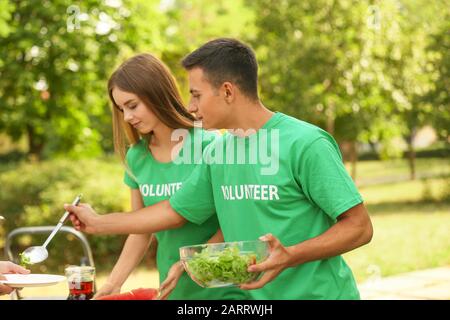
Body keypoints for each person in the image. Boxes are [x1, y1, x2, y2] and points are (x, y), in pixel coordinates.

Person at [66, 38, 373, 299]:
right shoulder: (218, 153)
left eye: (196, 94)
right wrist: (190, 261)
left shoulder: (304, 143)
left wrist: (290, 255)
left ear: (227, 91)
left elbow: (359, 227)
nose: (189, 106)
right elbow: (174, 212)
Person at [92, 53, 247, 300]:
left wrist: (192, 262)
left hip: (223, 290)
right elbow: (140, 229)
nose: (127, 117)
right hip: (171, 290)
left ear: (156, 94)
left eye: (132, 105)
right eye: (121, 109)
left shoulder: (209, 144)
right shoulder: (137, 157)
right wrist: (113, 283)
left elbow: (233, 221)